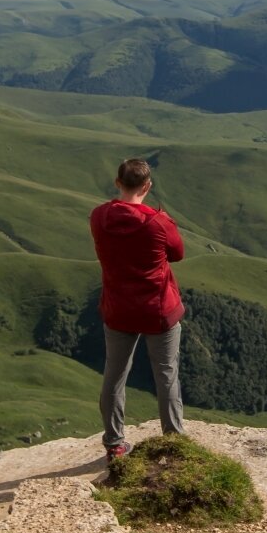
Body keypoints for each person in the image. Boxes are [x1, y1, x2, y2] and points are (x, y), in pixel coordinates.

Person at [90, 158, 186, 463]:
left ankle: (114, 445)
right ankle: (174, 443)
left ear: (118, 182)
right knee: (166, 375)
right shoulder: (158, 223)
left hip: (118, 308)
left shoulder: (99, 216)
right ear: (147, 186)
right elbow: (178, 253)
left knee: (114, 375)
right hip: (158, 309)